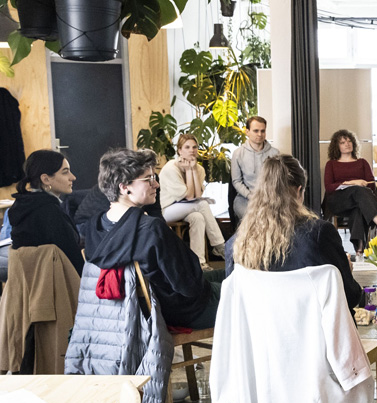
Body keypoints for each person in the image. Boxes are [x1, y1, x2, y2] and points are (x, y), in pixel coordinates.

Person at [84, 149, 223, 329]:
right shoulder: (151, 229)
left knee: (228, 272)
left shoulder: (94, 228)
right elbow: (190, 285)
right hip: (183, 311)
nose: (156, 184)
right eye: (148, 179)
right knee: (249, 289)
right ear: (124, 187)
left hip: (137, 313)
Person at [225, 154, 363, 309]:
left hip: (259, 331)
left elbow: (234, 303)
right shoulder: (319, 234)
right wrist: (345, 272)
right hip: (311, 331)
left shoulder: (236, 244)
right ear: (299, 191)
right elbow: (350, 297)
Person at [7, 150, 83, 275]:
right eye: (65, 172)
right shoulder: (50, 212)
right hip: (55, 287)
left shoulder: (23, 205)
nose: (72, 177)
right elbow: (74, 262)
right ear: (46, 179)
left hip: (27, 287)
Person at [159, 133, 226, 270]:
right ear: (179, 150)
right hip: (166, 209)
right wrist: (189, 170)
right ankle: (220, 246)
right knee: (201, 205)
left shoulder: (199, 168)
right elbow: (190, 197)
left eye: (194, 147)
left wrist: (194, 170)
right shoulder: (171, 168)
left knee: (198, 217)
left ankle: (199, 262)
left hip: (186, 208)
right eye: (187, 147)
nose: (192, 150)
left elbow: (197, 194)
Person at [322, 129, 377, 252]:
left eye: (349, 141)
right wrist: (352, 183)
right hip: (338, 201)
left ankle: (359, 250)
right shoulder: (331, 164)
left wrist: (362, 184)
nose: (347, 144)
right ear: (337, 147)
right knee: (358, 191)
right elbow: (329, 187)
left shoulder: (362, 162)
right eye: (342, 142)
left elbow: (372, 185)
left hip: (359, 201)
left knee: (358, 210)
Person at [231, 115, 280, 219]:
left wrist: (269, 197)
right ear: (247, 132)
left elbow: (278, 179)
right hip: (245, 199)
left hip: (269, 198)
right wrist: (251, 196)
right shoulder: (238, 153)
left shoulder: (275, 153)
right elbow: (236, 181)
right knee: (253, 219)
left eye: (263, 131)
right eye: (256, 131)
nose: (260, 134)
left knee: (273, 218)